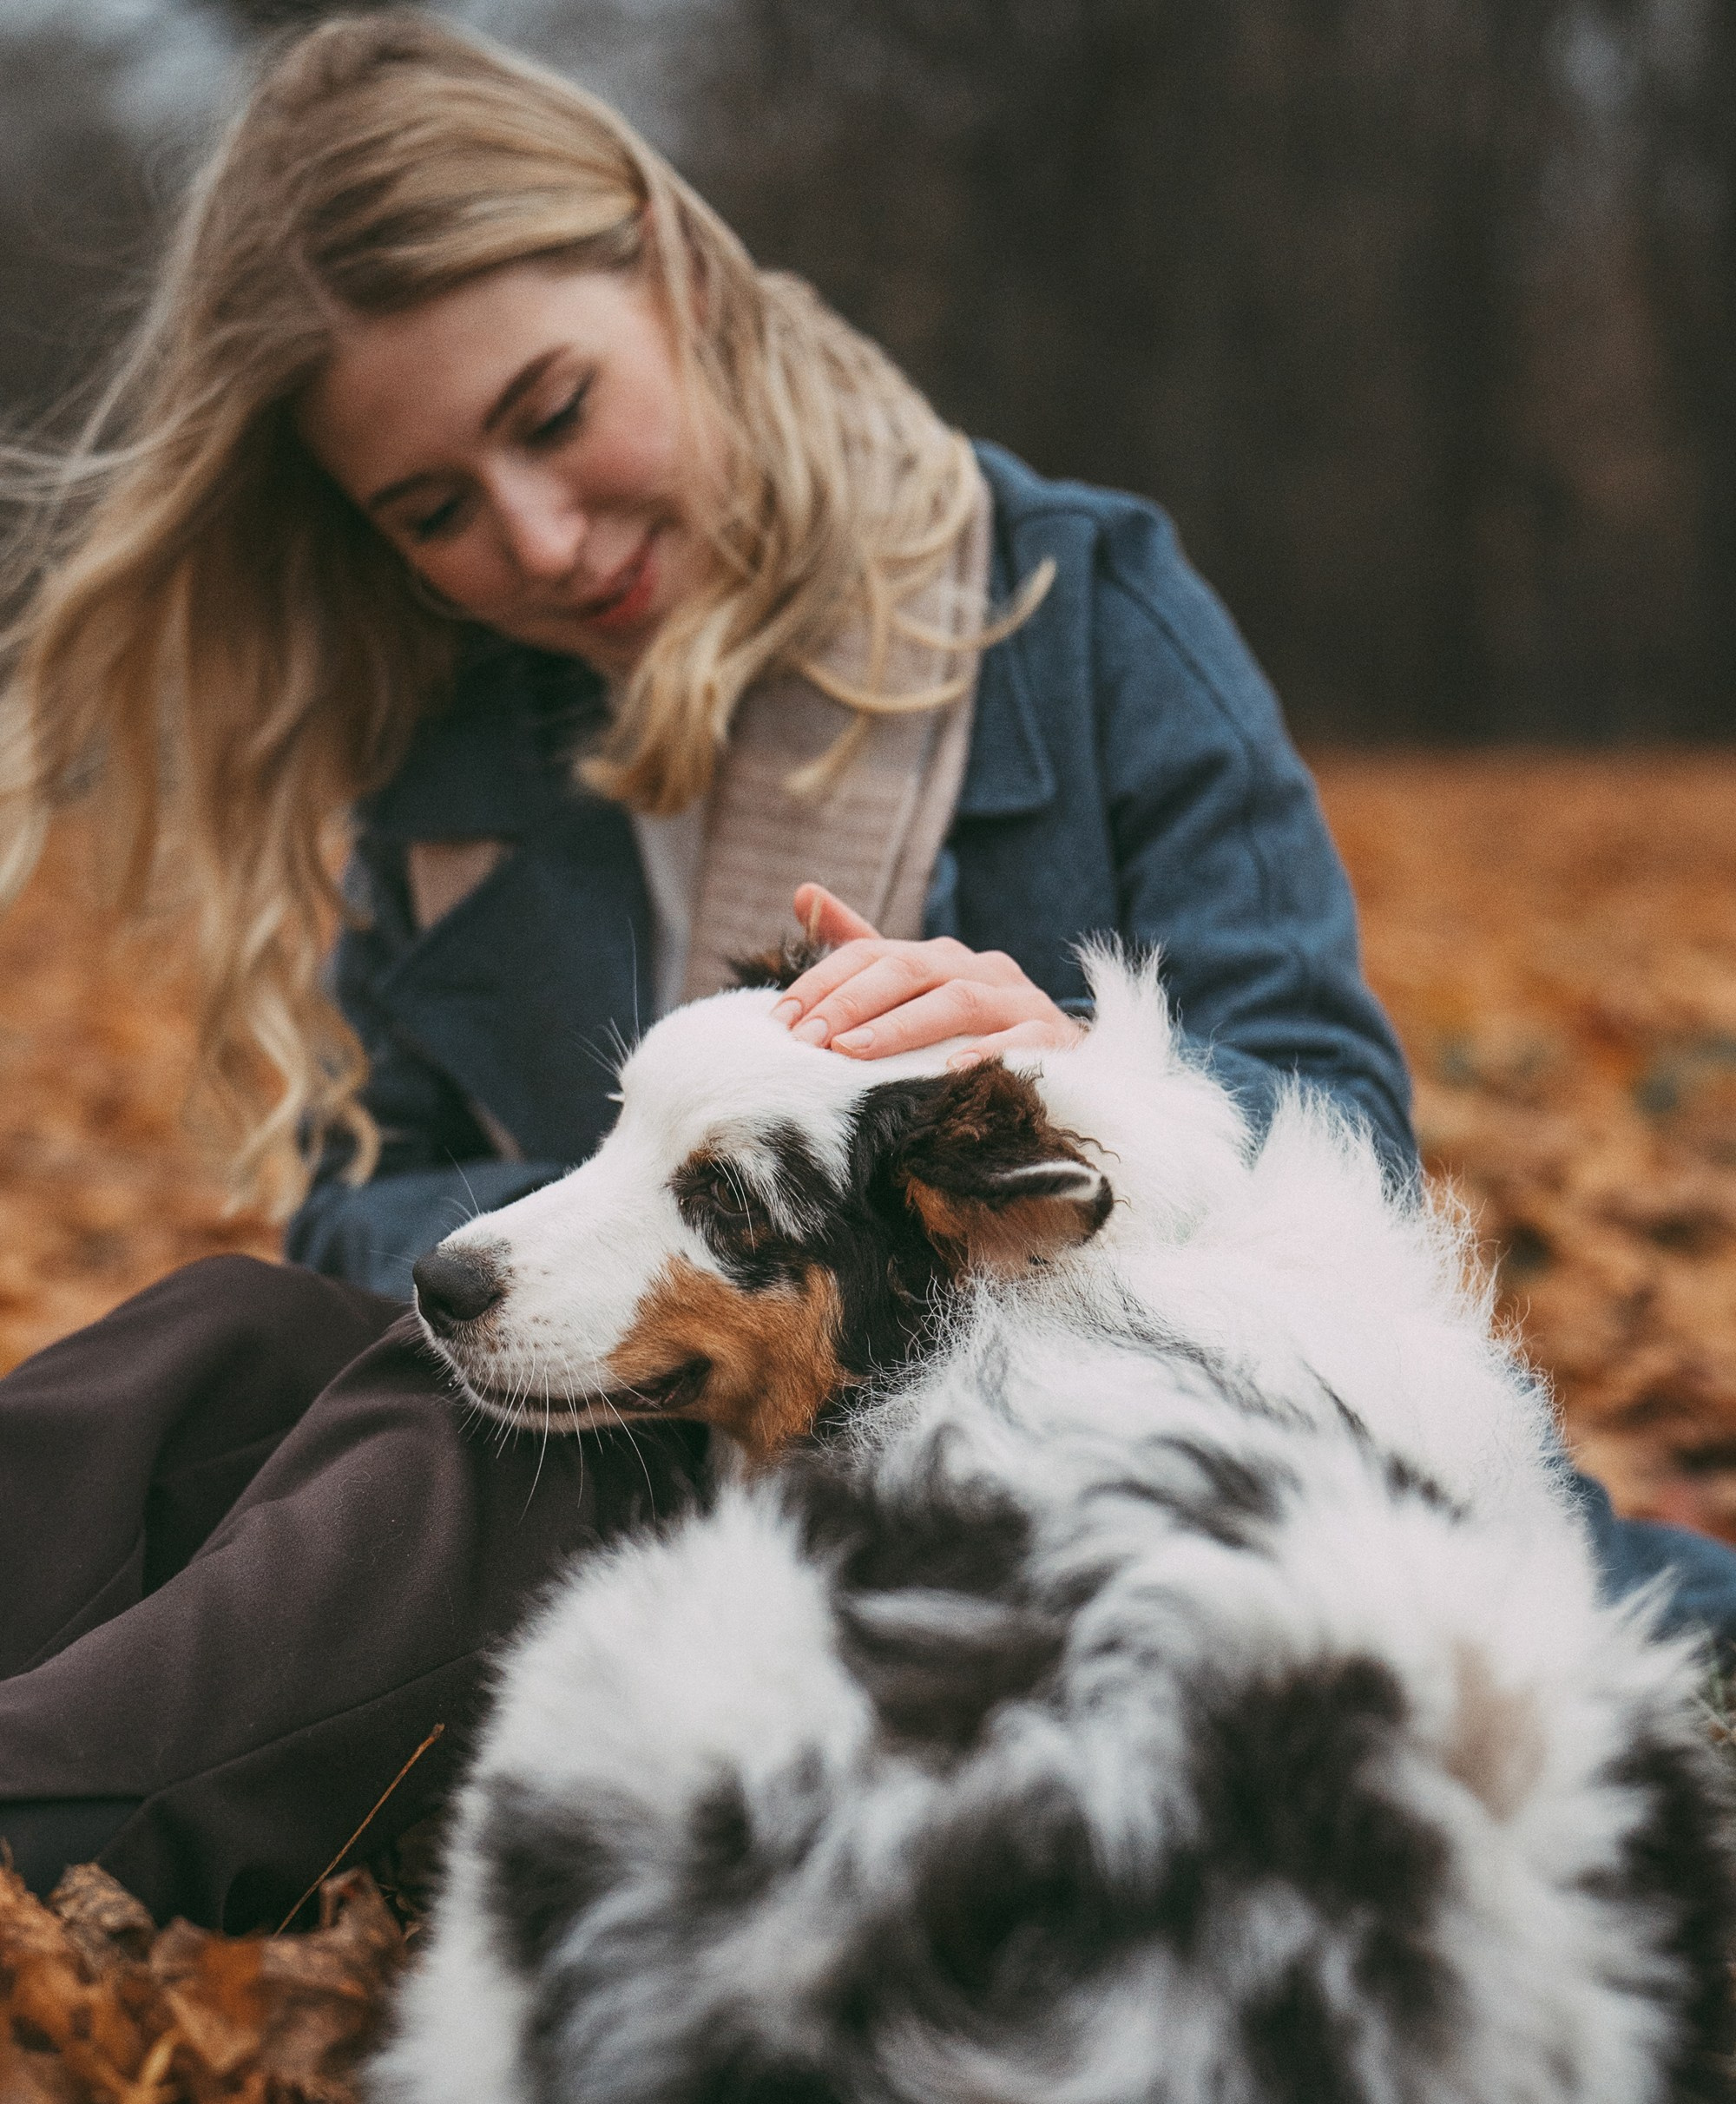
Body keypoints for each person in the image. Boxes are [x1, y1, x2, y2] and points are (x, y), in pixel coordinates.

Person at [0, 13, 1726, 1930]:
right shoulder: (451, 747)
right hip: (665, 1405)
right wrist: (642, 1237)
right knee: (222, 1342)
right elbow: (366, 1208)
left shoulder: (1083, 611)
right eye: (433, 512)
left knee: (490, 1457)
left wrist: (1083, 1076)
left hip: (1047, 1452)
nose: (539, 538)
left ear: (673, 273)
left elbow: (1344, 1130)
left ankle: (40, 1828)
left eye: (555, 414)